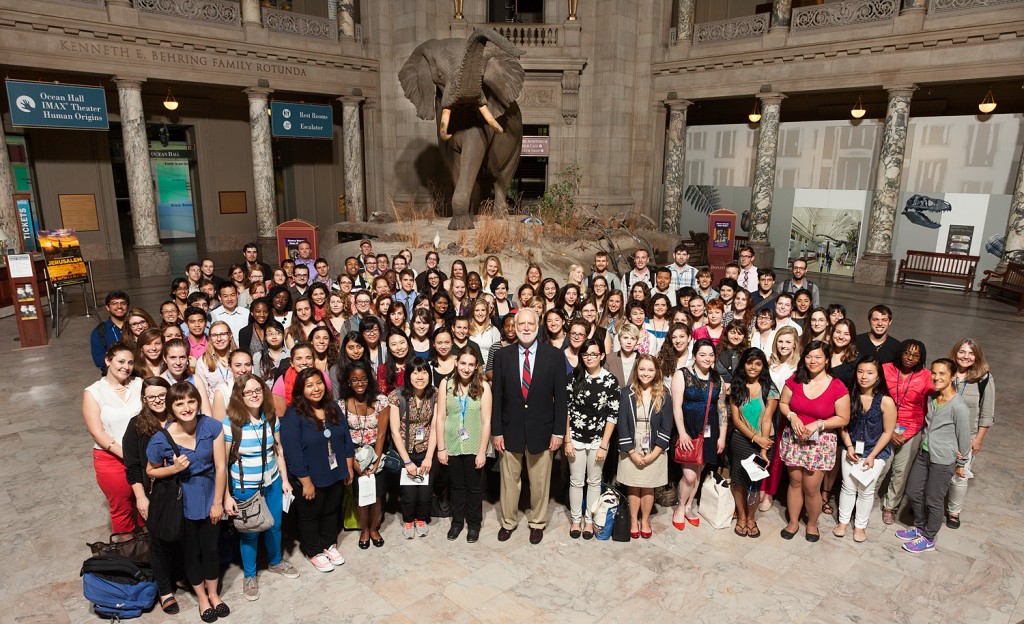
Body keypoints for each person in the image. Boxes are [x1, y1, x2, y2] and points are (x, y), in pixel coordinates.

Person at [146, 382, 228, 622]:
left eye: (191, 401)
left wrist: (218, 502)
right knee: (192, 552)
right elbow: (151, 470)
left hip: (210, 493)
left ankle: (214, 594)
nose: (187, 407)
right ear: (171, 407)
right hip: (183, 500)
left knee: (211, 549)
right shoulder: (161, 439)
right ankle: (202, 598)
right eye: (179, 403)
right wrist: (173, 469)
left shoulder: (212, 426)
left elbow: (221, 466)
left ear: (198, 403)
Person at [492, 308, 568, 545]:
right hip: (509, 429)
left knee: (540, 482)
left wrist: (558, 432)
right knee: (509, 481)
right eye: (521, 324)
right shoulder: (502, 356)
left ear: (538, 326)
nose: (526, 328)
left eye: (530, 324)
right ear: (514, 327)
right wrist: (497, 431)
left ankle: (537, 522)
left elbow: (561, 399)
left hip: (543, 431)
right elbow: (497, 398)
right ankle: (508, 522)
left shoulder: (554, 356)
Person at [223, 374, 299, 600]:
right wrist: (226, 495)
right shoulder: (231, 424)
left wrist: (284, 480)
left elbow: (278, 450)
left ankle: (275, 562)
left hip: (272, 482)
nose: (254, 395)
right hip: (245, 487)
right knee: (250, 533)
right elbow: (223, 464)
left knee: (275, 525)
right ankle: (250, 576)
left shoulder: (271, 417)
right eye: (248, 392)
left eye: (258, 390)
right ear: (239, 396)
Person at [280, 368, 355, 572]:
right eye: (309, 385)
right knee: (310, 516)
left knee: (331, 510)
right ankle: (314, 551)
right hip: (310, 477)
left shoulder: (333, 407)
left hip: (335, 471)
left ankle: (329, 544)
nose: (316, 389)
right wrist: (306, 482)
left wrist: (348, 467)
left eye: (319, 383)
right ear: (301, 389)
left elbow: (346, 438)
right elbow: (293, 452)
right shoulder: (293, 415)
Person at [777, 341, 851, 542]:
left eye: (818, 357)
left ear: (826, 360)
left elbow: (843, 418)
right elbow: (783, 403)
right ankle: (793, 522)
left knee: (811, 487)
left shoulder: (837, 386)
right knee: (795, 482)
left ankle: (812, 523)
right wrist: (792, 416)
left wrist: (819, 424)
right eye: (809, 356)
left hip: (820, 443)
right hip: (795, 439)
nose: (813, 361)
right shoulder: (795, 380)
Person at [897, 358, 970, 553]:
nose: (936, 377)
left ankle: (929, 538)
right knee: (913, 491)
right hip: (924, 453)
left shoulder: (959, 407)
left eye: (942, 373)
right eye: (934, 373)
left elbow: (964, 438)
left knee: (934, 499)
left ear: (953, 377)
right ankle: (920, 526)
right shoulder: (932, 397)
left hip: (943, 459)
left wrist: (961, 462)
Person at [122, 377, 181, 614]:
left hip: (182, 489)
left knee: (183, 536)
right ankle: (165, 590)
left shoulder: (180, 416)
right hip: (154, 492)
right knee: (159, 541)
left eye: (162, 395)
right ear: (144, 400)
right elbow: (133, 466)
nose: (157, 400)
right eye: (151, 397)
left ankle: (180, 575)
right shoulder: (137, 425)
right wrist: (140, 497)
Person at [834, 356, 896, 542]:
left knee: (866, 490)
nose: (864, 376)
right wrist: (849, 446)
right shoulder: (848, 396)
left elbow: (888, 432)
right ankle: (843, 522)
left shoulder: (885, 401)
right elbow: (842, 425)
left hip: (875, 452)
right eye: (860, 372)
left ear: (878, 376)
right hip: (851, 448)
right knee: (848, 486)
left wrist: (873, 456)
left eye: (869, 373)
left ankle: (860, 526)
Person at [83, 342, 143, 534]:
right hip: (111, 459)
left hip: (142, 455)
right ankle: (129, 551)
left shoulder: (139, 384)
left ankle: (151, 549)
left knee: (146, 505)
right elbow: (97, 432)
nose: (126, 367)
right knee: (122, 509)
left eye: (130, 362)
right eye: (121, 361)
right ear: (108, 360)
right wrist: (129, 456)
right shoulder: (93, 392)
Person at [564, 338, 619, 540]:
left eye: (594, 354)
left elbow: (612, 415)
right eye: (586, 354)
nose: (589, 358)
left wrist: (604, 445)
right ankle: (575, 520)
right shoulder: (573, 377)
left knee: (594, 482)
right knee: (576, 481)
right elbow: (566, 410)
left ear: (602, 356)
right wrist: (567, 440)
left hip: (598, 440)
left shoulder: (610, 380)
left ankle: (589, 520)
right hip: (575, 438)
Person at [436, 347, 492, 543]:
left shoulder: (483, 387)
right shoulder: (446, 384)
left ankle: (474, 525)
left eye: (470, 364)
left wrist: (482, 451)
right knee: (456, 486)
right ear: (456, 363)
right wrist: (441, 447)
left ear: (476, 366)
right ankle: (457, 522)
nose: (466, 368)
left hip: (474, 444)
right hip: (452, 444)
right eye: (463, 363)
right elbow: (440, 417)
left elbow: (486, 422)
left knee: (474, 488)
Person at [670, 338, 726, 529]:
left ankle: (688, 507)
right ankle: (680, 507)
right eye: (702, 354)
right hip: (687, 429)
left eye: (711, 355)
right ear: (694, 355)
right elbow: (676, 407)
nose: (707, 358)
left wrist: (722, 436)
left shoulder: (717, 379)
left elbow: (722, 409)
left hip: (709, 431)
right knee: (689, 475)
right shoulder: (682, 374)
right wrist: (682, 433)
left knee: (700, 470)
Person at [878, 340, 934, 525]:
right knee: (881, 466)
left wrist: (906, 434)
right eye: (907, 353)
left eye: (915, 355)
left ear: (921, 358)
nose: (910, 358)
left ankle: (890, 507)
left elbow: (925, 407)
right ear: (900, 353)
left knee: (900, 472)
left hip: (911, 428)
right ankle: (866, 497)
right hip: (885, 424)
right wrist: (889, 430)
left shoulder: (926, 376)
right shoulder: (886, 369)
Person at [617, 354, 672, 539]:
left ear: (656, 372)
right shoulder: (626, 393)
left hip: (654, 445)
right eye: (642, 369)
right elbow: (622, 424)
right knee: (633, 485)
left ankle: (645, 520)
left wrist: (655, 453)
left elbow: (667, 426)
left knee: (648, 486)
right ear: (636, 370)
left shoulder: (664, 394)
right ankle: (634, 520)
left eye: (650, 370)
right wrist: (632, 452)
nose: (646, 373)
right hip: (631, 444)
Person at [728, 348, 778, 538]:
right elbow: (736, 419)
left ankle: (751, 518)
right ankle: (741, 516)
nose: (753, 367)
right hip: (741, 440)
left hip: (764, 441)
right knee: (739, 481)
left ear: (763, 366)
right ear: (743, 365)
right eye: (749, 363)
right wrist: (754, 438)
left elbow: (767, 419)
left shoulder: (770, 388)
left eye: (758, 364)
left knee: (755, 483)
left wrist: (763, 447)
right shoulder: (736, 386)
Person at [945, 338, 995, 530]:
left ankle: (954, 512)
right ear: (955, 353)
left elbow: (987, 413)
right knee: (937, 472)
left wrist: (978, 439)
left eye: (971, 353)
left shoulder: (984, 379)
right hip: (943, 433)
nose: (966, 356)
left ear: (977, 356)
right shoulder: (946, 372)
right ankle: (930, 503)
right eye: (962, 351)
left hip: (967, 437)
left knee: (960, 475)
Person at [341, 361, 390, 549]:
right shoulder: (342, 404)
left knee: (377, 497)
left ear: (369, 380)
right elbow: (344, 437)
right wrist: (354, 464)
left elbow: (382, 434)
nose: (359, 383)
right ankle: (364, 530)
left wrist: (375, 462)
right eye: (355, 380)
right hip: (353, 454)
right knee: (361, 497)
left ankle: (374, 529)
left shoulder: (381, 401)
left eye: (363, 379)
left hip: (376, 452)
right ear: (349, 382)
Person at [388, 357, 438, 539]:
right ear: (408, 375)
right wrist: (407, 461)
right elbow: (394, 431)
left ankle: (421, 519)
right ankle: (408, 520)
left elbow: (435, 427)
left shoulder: (435, 394)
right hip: (405, 452)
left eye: (424, 372)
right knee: (408, 494)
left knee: (425, 493)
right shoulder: (397, 396)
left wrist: (429, 457)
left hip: (426, 450)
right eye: (415, 372)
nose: (420, 377)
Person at [161, 338, 214, 416]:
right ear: (165, 358)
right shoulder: (160, 383)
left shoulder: (196, 380)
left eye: (182, 357)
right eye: (173, 358)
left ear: (188, 358)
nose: (178, 362)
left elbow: (206, 413)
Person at [195, 320, 237, 404]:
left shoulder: (240, 357)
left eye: (223, 334)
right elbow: (203, 394)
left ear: (230, 335)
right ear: (210, 338)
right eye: (214, 335)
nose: (219, 339)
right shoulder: (203, 361)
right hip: (215, 406)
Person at [91, 290, 131, 374]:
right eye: (114, 303)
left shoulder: (135, 326)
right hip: (113, 376)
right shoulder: (99, 332)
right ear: (107, 307)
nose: (119, 306)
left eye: (123, 303)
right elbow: (99, 361)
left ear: (127, 306)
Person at [605, 321, 640, 386]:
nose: (629, 342)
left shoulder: (642, 360)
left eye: (633, 339)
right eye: (625, 338)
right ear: (619, 339)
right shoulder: (608, 359)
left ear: (637, 341)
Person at [828, 318, 858, 389]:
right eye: (838, 332)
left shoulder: (856, 359)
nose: (841, 337)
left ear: (852, 337)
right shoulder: (823, 352)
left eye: (846, 334)